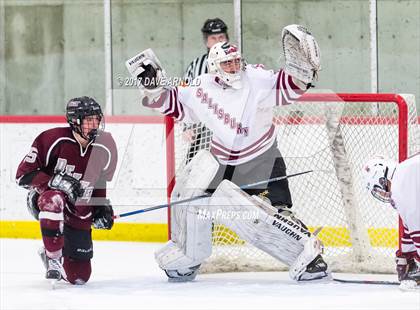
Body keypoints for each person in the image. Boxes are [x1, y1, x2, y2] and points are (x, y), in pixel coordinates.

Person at [126, 24, 328, 282]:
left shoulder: (256, 77)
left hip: (264, 159)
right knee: (195, 204)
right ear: (214, 67)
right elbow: (174, 103)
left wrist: (301, 71)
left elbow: (290, 87)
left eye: (236, 62)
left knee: (275, 213)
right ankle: (187, 258)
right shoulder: (201, 87)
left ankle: (310, 257)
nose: (234, 68)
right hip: (223, 163)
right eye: (227, 64)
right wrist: (153, 86)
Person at [16, 96, 118, 285]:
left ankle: (51, 255)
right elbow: (22, 175)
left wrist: (100, 206)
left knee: (79, 277)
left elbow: (100, 182)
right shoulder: (52, 139)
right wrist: (56, 182)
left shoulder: (106, 145)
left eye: (97, 119)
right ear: (74, 121)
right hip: (48, 199)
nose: (94, 124)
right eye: (89, 120)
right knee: (53, 199)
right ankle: (53, 257)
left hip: (79, 209)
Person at [364, 154, 420, 288]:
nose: (383, 194)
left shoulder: (399, 187)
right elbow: (410, 226)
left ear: (383, 179)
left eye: (380, 188)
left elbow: (416, 225)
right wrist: (406, 255)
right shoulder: (405, 172)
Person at [183, 18, 230, 163]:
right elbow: (184, 98)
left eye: (221, 37)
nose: (218, 41)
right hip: (203, 132)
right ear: (206, 42)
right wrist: (187, 126)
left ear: (227, 39)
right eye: (213, 38)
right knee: (198, 175)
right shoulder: (195, 66)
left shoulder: (238, 63)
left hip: (231, 131)